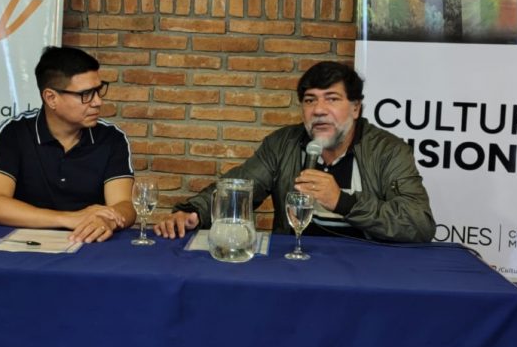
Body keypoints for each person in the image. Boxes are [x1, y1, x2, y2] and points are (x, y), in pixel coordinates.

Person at [154, 61, 435, 242]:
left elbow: (419, 224)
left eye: (332, 99)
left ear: (355, 108)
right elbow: (240, 186)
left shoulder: (388, 151)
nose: (319, 110)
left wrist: (343, 202)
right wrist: (194, 212)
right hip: (296, 265)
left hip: (367, 269)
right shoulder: (283, 143)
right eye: (310, 100)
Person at [0, 46, 135, 243]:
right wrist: (68, 219)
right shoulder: (14, 133)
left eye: (98, 90)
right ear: (51, 98)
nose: (97, 102)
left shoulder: (111, 138)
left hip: (89, 245)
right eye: (86, 94)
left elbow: (125, 205)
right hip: (23, 247)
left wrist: (108, 220)